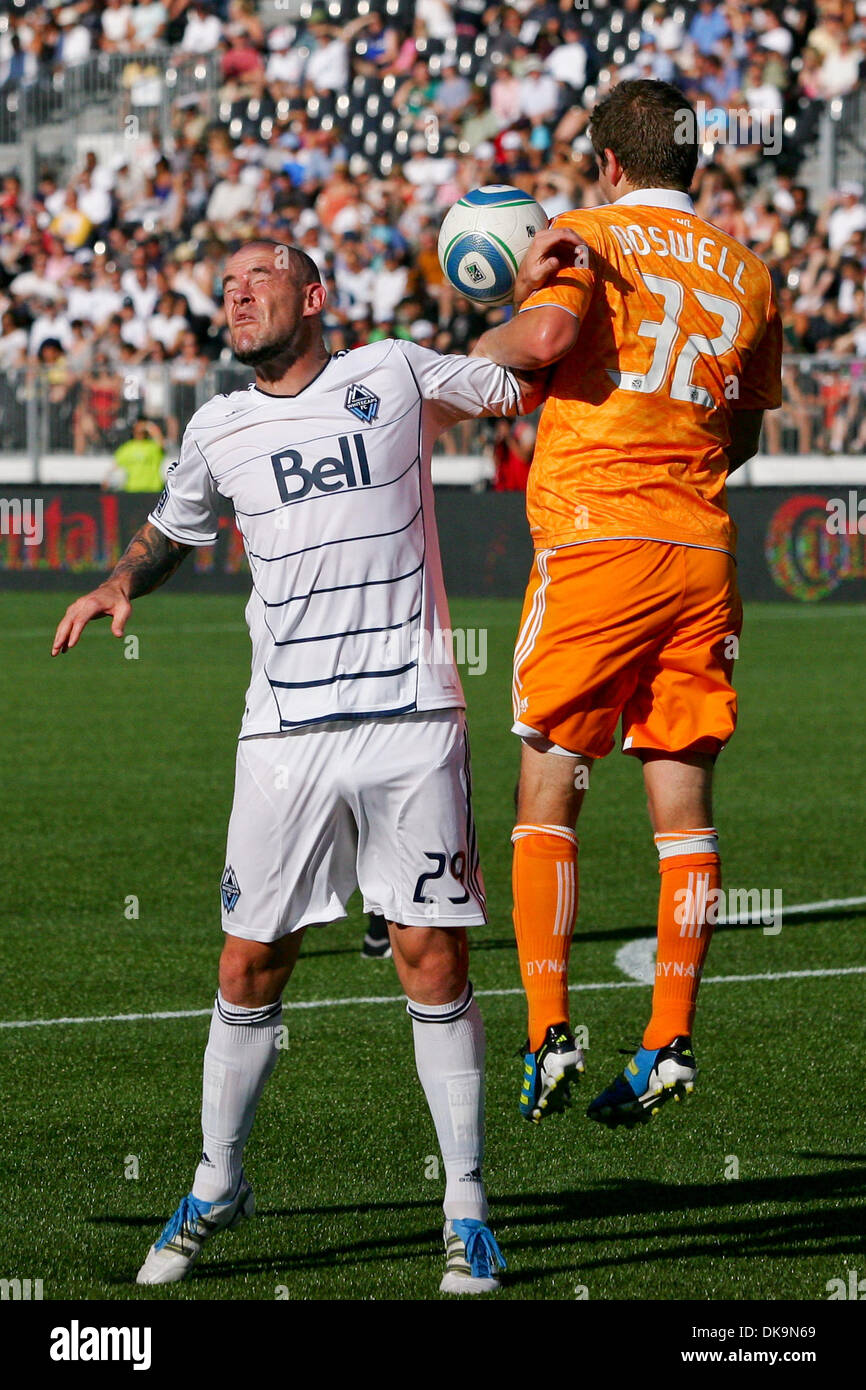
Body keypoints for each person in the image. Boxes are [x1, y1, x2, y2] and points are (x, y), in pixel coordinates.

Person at [52, 240, 540, 1294]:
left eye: (256, 278)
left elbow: (518, 372)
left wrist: (542, 270)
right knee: (245, 966)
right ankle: (217, 1179)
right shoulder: (216, 426)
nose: (233, 293)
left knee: (431, 960)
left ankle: (464, 1209)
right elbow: (174, 524)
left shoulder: (395, 372)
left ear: (311, 295)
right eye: (225, 285)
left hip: (410, 713)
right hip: (281, 732)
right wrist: (119, 582)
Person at [472, 80, 782, 1126]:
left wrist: (440, 358)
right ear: (688, 160)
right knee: (682, 801)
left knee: (547, 778)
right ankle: (667, 1037)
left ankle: (550, 1025)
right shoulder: (747, 271)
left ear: (606, 160)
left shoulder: (583, 234)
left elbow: (544, 342)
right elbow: (739, 434)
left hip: (597, 537)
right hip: (699, 549)